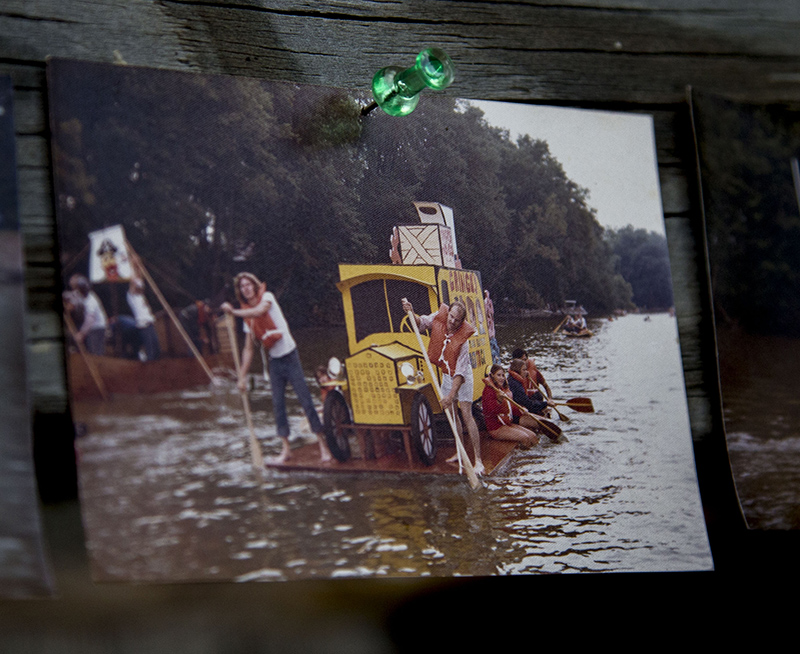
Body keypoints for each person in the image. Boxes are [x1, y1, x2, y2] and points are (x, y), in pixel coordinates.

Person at [221, 272, 332, 464]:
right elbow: (248, 349)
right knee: (278, 405)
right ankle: (285, 450)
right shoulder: (248, 318)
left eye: (248, 285)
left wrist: (233, 312)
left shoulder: (267, 297)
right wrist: (241, 377)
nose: (246, 288)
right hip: (275, 362)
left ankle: (323, 445)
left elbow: (259, 312)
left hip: (290, 356)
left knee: (305, 399)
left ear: (255, 286)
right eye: (242, 287)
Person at [401, 297, 485, 476]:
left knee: (466, 414)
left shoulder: (463, 340)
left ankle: (478, 460)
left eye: (457, 319)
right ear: (449, 314)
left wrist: (450, 396)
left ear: (462, 321)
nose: (452, 321)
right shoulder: (440, 317)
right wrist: (411, 311)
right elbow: (421, 322)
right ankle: (460, 451)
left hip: (462, 377)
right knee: (452, 415)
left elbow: (460, 374)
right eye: (451, 317)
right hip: (447, 374)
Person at [481, 364, 539, 446]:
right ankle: (524, 457)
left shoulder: (501, 389)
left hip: (506, 424)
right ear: (492, 376)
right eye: (498, 375)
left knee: (533, 436)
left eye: (502, 375)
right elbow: (491, 411)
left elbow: (510, 407)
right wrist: (499, 401)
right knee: (524, 437)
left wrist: (521, 410)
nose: (502, 378)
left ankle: (535, 457)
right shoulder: (488, 391)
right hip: (495, 428)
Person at [125, 253, 160, 361]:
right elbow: (134, 280)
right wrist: (132, 263)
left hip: (149, 322)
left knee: (156, 348)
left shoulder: (140, 295)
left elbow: (140, 279)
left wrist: (138, 264)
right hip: (143, 324)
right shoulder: (131, 295)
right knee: (151, 351)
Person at [69, 274, 108, 355]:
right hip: (93, 327)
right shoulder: (82, 295)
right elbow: (73, 297)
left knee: (95, 352)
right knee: (92, 349)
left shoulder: (90, 302)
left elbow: (90, 320)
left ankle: (98, 366)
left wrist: (81, 334)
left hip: (97, 327)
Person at [484, 289, 500, 365]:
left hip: (491, 339)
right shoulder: (486, 304)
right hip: (490, 339)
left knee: (495, 356)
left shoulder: (488, 303)